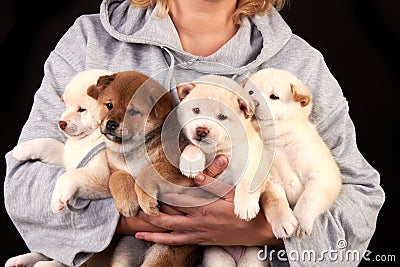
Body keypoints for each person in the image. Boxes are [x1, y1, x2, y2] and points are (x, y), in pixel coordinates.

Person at [4, 0, 385, 266]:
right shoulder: (91, 41)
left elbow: (362, 202)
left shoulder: (298, 65)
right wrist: (139, 218)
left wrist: (265, 231)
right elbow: (23, 189)